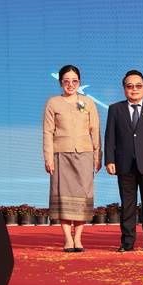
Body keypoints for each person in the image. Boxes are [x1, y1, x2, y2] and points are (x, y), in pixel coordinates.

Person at [104, 70, 143, 252]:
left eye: (138, 86)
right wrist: (109, 159)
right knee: (127, 206)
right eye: (130, 86)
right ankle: (127, 242)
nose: (134, 89)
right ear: (124, 88)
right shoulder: (115, 109)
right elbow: (110, 137)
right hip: (124, 164)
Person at [43, 65, 102, 252]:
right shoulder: (53, 102)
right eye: (66, 81)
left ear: (79, 82)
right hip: (60, 155)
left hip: (84, 154)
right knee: (62, 196)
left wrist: (97, 155)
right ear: (60, 82)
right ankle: (68, 239)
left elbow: (95, 130)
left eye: (74, 81)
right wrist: (48, 158)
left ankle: (78, 238)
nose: (71, 84)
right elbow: (47, 132)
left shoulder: (87, 102)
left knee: (82, 196)